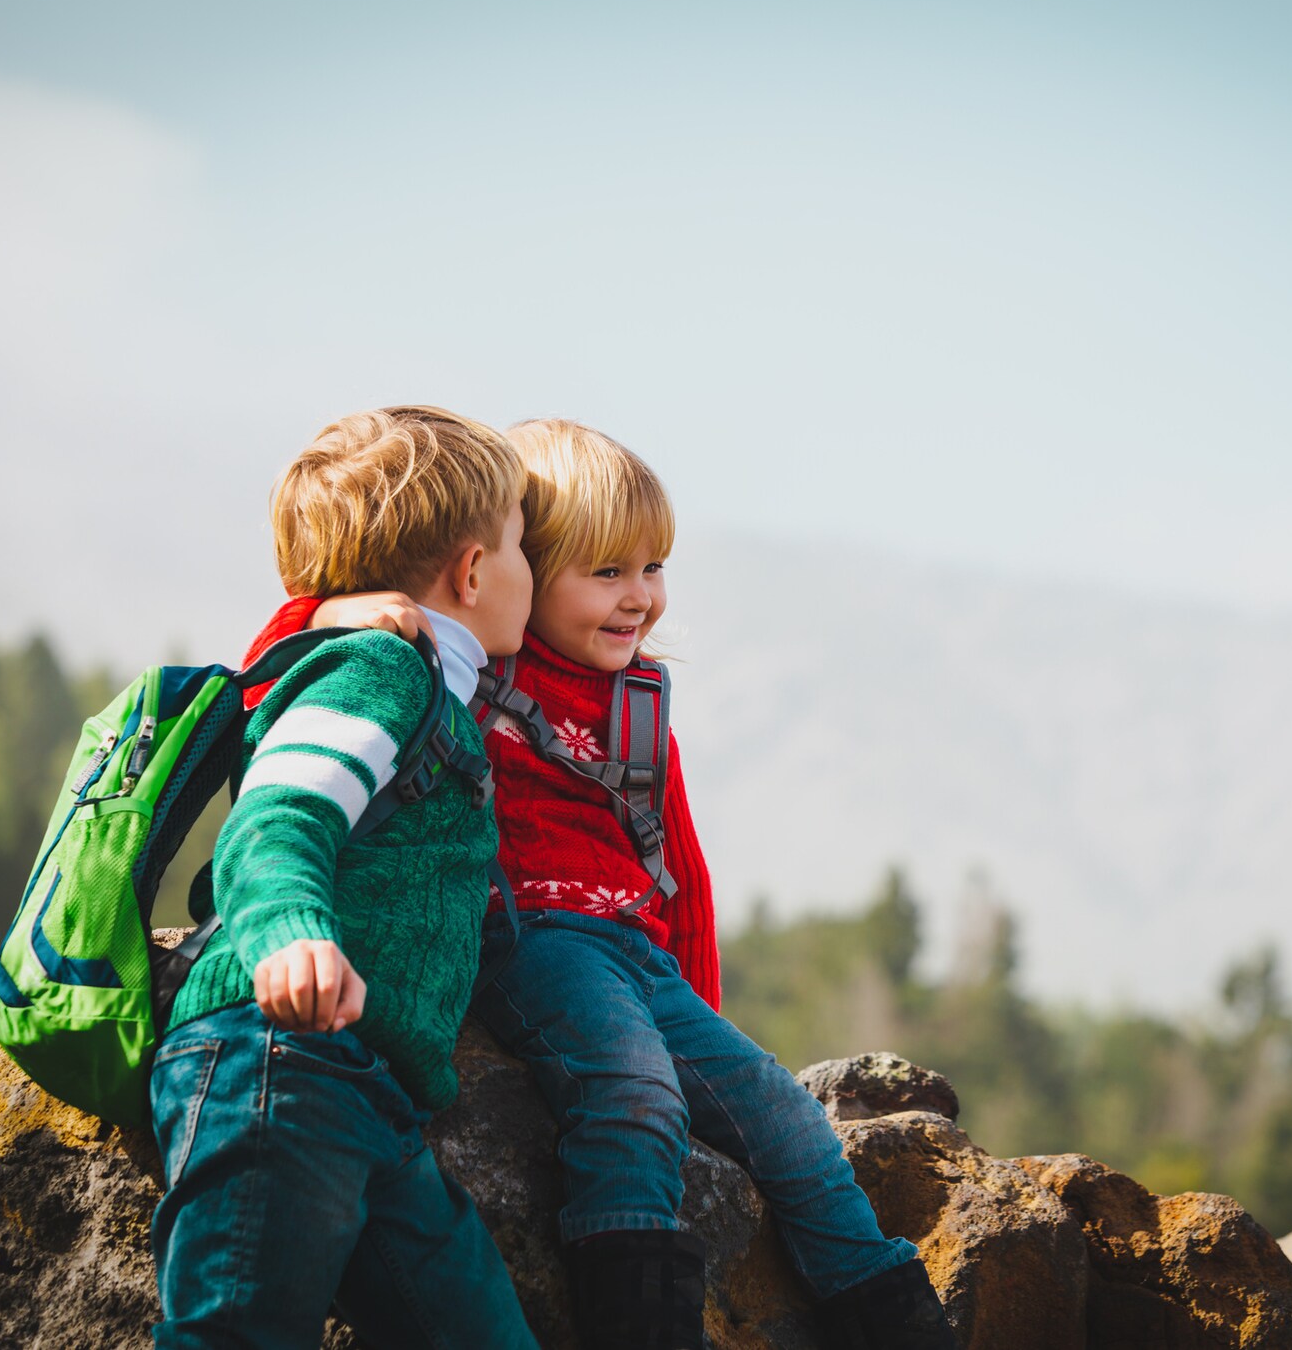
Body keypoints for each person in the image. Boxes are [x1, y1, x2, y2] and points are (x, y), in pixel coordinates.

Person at [247, 419, 953, 1350]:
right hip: (533, 940)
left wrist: (701, 1007)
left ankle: (895, 1321)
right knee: (632, 1093)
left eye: (654, 567)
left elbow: (680, 872)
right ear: (518, 571)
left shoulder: (638, 702)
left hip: (642, 960)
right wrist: (336, 611)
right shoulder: (471, 662)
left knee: (786, 1116)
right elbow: (277, 670)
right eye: (608, 572)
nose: (642, 599)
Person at [151, 406, 540, 1350]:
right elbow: (275, 819)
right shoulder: (376, 672)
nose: (534, 567)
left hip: (371, 1094)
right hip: (276, 1053)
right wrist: (291, 933)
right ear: (475, 570)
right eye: (526, 544)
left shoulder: (431, 686)